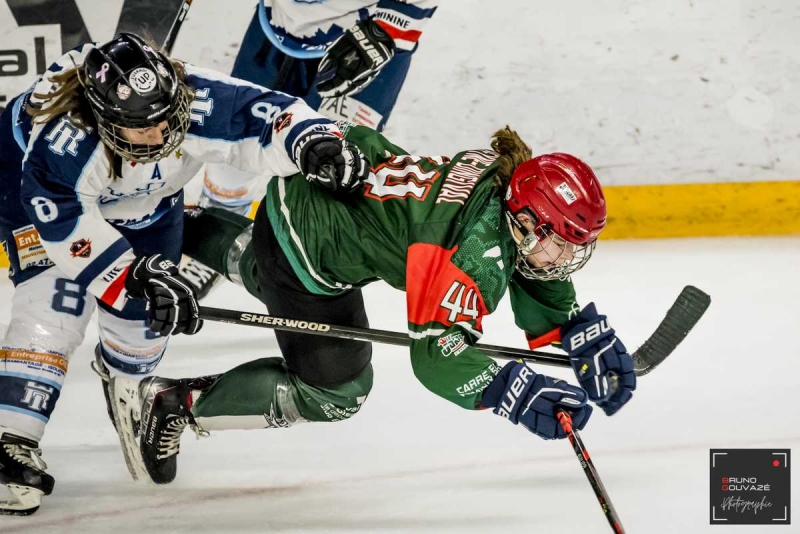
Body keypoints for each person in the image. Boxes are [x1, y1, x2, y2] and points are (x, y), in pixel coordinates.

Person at [109, 125, 638, 485]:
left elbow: (527, 267)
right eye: (561, 241)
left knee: (265, 262)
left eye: (575, 244)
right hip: (310, 248)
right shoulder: (473, 254)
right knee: (339, 390)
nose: (566, 256)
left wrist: (574, 330)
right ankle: (169, 405)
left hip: (320, 198)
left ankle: (171, 225)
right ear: (524, 219)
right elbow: (438, 358)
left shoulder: (501, 182)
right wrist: (512, 391)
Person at [0, 32, 369, 514]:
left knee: (147, 319)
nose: (163, 135)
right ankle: (13, 441)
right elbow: (63, 216)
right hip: (32, 198)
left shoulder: (194, 95)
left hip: (150, 203)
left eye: (166, 118)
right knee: (55, 308)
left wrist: (313, 142)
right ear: (106, 120)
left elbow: (271, 114)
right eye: (144, 130)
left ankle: (130, 391)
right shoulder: (64, 140)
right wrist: (125, 274)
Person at [181, 0, 438, 295]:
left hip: (367, 33)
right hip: (277, 24)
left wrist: (388, 27)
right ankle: (219, 237)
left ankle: (325, 275)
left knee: (338, 164)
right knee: (233, 137)